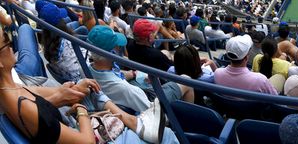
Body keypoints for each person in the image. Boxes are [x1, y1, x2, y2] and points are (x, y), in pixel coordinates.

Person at [0, 27, 171, 144]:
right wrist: (80, 109)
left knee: (91, 90)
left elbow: (50, 95)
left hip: (74, 124)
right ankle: (132, 120)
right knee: (168, 135)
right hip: (84, 133)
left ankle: (131, 119)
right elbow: (86, 141)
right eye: (6, 41)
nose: (12, 46)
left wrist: (71, 90)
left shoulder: (13, 89)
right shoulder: (22, 105)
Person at [87, 25, 194, 113]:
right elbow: (152, 112)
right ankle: (185, 125)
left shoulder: (85, 70)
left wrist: (133, 73)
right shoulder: (128, 90)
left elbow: (114, 73)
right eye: (117, 46)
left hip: (133, 93)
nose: (120, 48)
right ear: (112, 52)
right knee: (186, 80)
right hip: (151, 105)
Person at [39, 2, 85, 83]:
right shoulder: (68, 42)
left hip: (70, 79)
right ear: (60, 23)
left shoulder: (47, 44)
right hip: (84, 80)